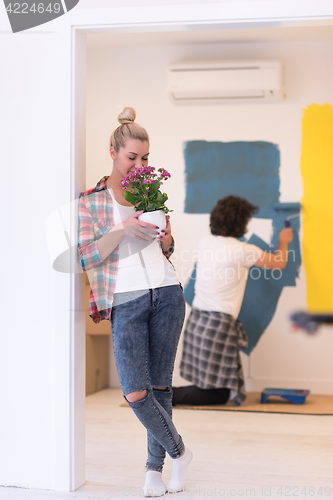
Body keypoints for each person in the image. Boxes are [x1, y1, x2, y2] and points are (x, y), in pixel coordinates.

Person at [78, 107, 192, 497]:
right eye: (132, 158)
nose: (139, 165)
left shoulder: (150, 191)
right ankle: (180, 452)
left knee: (160, 389)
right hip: (124, 298)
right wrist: (122, 228)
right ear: (112, 152)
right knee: (135, 392)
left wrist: (166, 237)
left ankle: (153, 472)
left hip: (166, 292)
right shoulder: (92, 200)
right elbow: (85, 256)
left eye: (145, 158)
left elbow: (168, 248)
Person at [173, 195, 293, 407]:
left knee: (211, 386)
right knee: (216, 394)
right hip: (217, 326)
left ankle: (161, 393)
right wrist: (284, 240)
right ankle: (164, 395)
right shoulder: (243, 250)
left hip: (197, 321)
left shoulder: (205, 242)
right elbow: (279, 263)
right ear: (242, 224)